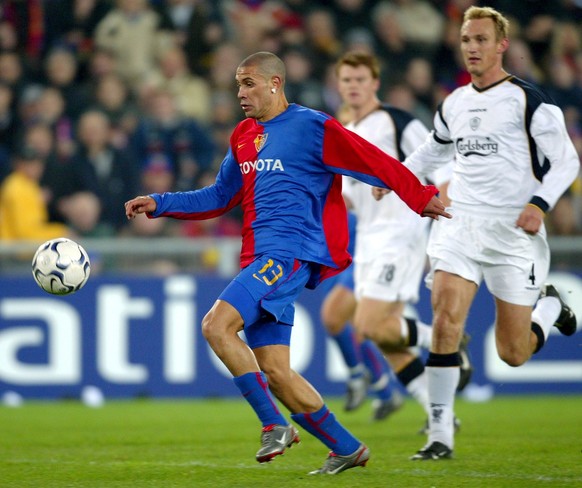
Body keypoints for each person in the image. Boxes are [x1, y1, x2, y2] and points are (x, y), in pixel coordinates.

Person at [125, 51, 451, 475]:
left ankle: (273, 424)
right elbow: (220, 196)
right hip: (259, 257)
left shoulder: (312, 126)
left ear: (275, 83)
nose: (241, 93)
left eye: (249, 83)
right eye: (238, 84)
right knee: (277, 371)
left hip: (289, 254)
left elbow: (373, 161)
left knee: (215, 325)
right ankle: (346, 447)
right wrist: (161, 202)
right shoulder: (243, 135)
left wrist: (419, 195)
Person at [391, 6, 578, 460]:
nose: (472, 48)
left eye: (480, 40)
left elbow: (568, 161)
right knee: (444, 320)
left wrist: (539, 204)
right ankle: (440, 436)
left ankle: (550, 308)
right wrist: (392, 180)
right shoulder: (453, 103)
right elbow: (429, 154)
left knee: (513, 352)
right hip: (461, 225)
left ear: (501, 46)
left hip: (513, 233)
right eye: (466, 40)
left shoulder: (529, 101)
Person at [322, 50, 471, 429]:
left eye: (360, 80)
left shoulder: (396, 120)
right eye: (347, 80)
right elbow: (353, 197)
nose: (353, 86)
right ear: (338, 86)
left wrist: (444, 218)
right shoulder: (348, 134)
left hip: (400, 235)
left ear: (374, 84)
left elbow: (442, 162)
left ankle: (446, 338)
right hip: (369, 241)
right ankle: (442, 417)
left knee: (367, 326)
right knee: (387, 342)